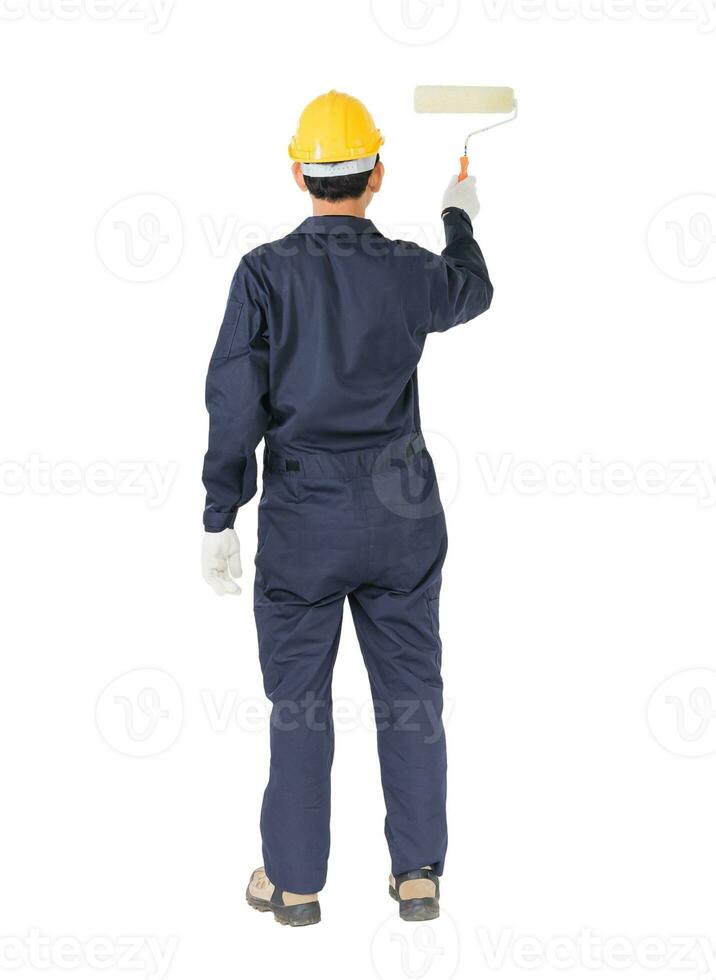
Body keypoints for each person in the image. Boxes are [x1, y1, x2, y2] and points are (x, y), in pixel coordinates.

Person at [201, 90, 493, 927]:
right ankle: (419, 876)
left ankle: (293, 885)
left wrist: (221, 512)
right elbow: (471, 289)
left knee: (299, 701)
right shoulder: (410, 269)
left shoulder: (263, 273)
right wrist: (458, 217)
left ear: (298, 172)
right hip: (402, 515)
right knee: (412, 690)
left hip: (302, 519)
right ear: (378, 174)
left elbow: (234, 401)